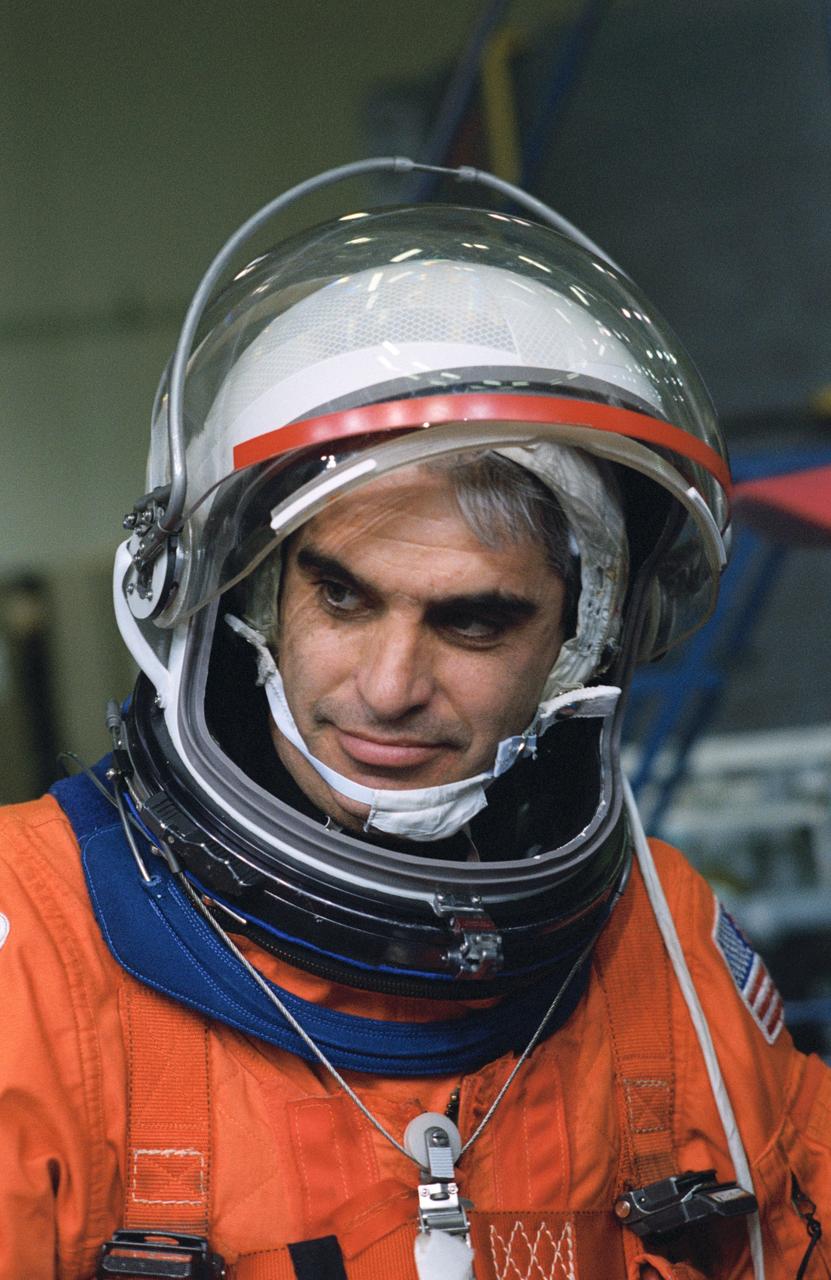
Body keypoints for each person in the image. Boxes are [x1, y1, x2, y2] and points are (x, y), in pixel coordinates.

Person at [1, 160, 829, 1280]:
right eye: (342, 596)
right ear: (249, 593)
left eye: (475, 622)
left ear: (581, 643)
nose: (390, 687)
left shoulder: (662, 945)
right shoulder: (35, 953)